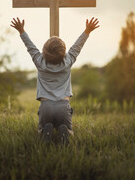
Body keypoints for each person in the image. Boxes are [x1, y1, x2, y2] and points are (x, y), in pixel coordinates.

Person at [10, 17, 100, 145]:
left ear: (44, 52)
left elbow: (30, 46)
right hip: (63, 107)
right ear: (63, 53)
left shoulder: (39, 62)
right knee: (69, 130)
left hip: (46, 106)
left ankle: (45, 132)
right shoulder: (68, 61)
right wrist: (87, 31)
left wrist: (21, 30)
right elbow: (77, 46)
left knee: (41, 129)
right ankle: (65, 131)